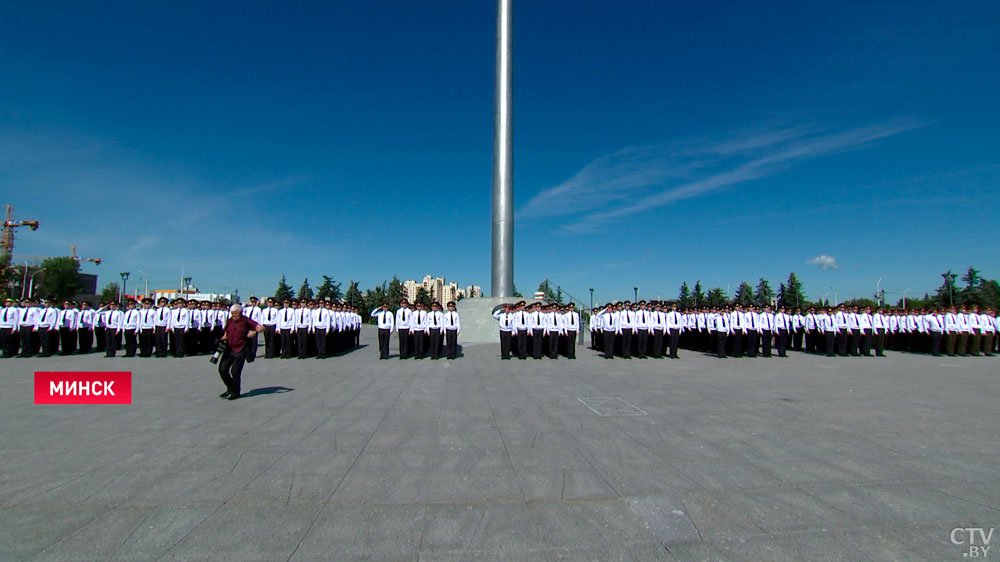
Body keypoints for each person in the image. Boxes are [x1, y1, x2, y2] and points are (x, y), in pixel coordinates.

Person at [217, 303, 264, 400]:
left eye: (235, 313)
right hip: (229, 348)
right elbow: (226, 332)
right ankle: (230, 388)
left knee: (235, 372)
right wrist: (222, 339)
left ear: (240, 312)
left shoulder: (246, 320)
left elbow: (261, 327)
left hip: (240, 349)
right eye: (232, 313)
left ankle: (235, 393)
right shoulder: (230, 320)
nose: (233, 315)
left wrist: (254, 332)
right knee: (222, 369)